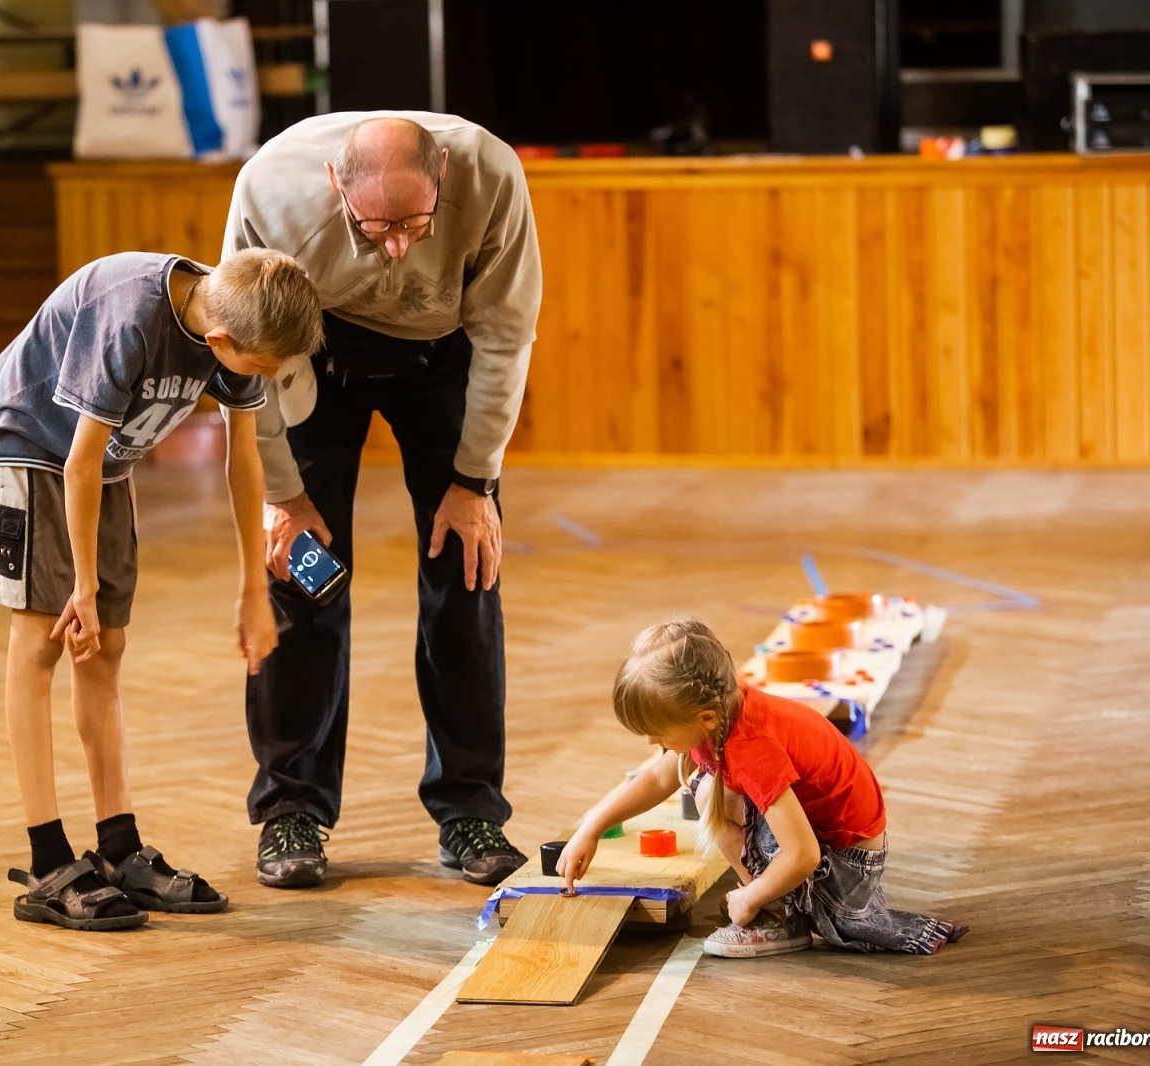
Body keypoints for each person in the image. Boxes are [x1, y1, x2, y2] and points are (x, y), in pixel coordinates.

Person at [223, 112, 542, 889]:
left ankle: (469, 806)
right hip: (312, 349)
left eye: (416, 222)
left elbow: (506, 336)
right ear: (336, 186)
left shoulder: (493, 176)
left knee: (467, 569)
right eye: (377, 226)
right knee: (302, 579)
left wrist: (474, 483)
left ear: (443, 180)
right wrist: (284, 497)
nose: (398, 244)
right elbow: (246, 351)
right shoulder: (270, 185)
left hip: (444, 354)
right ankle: (291, 809)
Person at [0, 248, 323, 930]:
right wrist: (82, 584)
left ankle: (118, 848)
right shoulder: (131, 316)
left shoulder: (232, 317)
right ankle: (48, 861)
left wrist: (254, 589)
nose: (265, 381)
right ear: (221, 342)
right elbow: (75, 463)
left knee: (105, 649)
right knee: (42, 643)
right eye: (260, 369)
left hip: (102, 464)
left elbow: (244, 461)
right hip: (36, 447)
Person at [559, 620, 967, 957]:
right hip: (830, 840)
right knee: (707, 789)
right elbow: (658, 778)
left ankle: (779, 918)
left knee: (710, 796)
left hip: (846, 863)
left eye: (656, 732)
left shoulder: (751, 748)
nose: (651, 743)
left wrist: (751, 897)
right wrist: (591, 827)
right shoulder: (722, 713)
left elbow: (804, 855)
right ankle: (777, 903)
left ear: (703, 717)